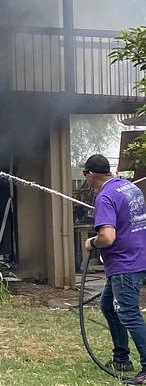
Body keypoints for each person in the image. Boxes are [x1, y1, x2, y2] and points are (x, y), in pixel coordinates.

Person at [83, 154, 146, 384]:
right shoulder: (129, 188)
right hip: (137, 257)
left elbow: (107, 237)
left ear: (90, 175)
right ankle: (122, 358)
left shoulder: (105, 196)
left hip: (125, 264)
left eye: (85, 175)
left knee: (129, 313)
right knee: (108, 306)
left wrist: (92, 242)